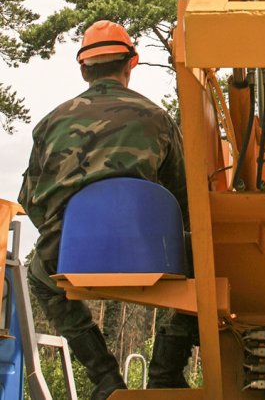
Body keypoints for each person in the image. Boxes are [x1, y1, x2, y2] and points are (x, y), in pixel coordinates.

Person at [18, 20, 198, 399]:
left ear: (84, 70)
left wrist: (74, 235)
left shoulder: (51, 123)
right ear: (131, 63)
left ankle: (104, 379)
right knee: (210, 265)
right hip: (150, 250)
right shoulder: (157, 118)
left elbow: (32, 202)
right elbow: (185, 201)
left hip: (72, 250)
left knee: (39, 278)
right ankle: (165, 371)